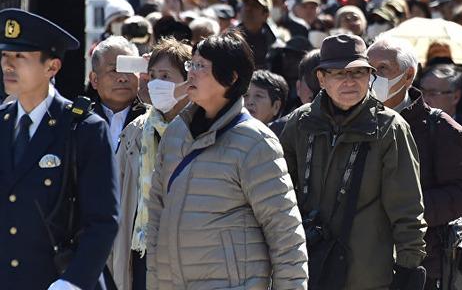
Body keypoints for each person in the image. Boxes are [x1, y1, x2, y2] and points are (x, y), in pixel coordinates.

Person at [146, 31, 307, 289]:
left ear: (231, 78)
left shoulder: (255, 141)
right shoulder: (176, 132)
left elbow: (285, 232)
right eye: (190, 65)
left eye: (201, 66)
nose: (191, 73)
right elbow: (156, 215)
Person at [278, 34, 428, 289]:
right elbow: (278, 198)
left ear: (369, 77)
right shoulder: (300, 123)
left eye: (358, 72)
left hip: (367, 277)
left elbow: (407, 208)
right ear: (321, 78)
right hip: (305, 269)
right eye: (339, 73)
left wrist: (408, 267)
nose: (350, 81)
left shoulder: (390, 127)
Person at [0, 9, 119, 290]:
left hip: (60, 281)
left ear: (52, 67)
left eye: (20, 57)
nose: (8, 65)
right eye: (4, 55)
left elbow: (103, 221)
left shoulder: (83, 129)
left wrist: (73, 281)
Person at [368, 37, 462, 290]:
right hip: (364, 261)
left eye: (383, 68)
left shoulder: (440, 128)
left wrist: (405, 211)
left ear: (408, 76)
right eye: (369, 69)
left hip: (420, 264)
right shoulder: (356, 122)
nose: (374, 77)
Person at [109, 38, 191, 290]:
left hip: (186, 252)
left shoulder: (200, 130)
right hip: (141, 250)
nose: (156, 84)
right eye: (152, 75)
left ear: (188, 81)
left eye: (165, 76)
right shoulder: (136, 131)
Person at [89, 36, 147, 153]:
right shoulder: (79, 121)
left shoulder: (152, 118)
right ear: (94, 79)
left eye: (130, 69)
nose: (123, 78)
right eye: (115, 70)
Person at [237, 0, 280, 69]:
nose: (248, 9)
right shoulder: (229, 39)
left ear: (266, 15)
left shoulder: (276, 46)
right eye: (246, 4)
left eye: (255, 6)